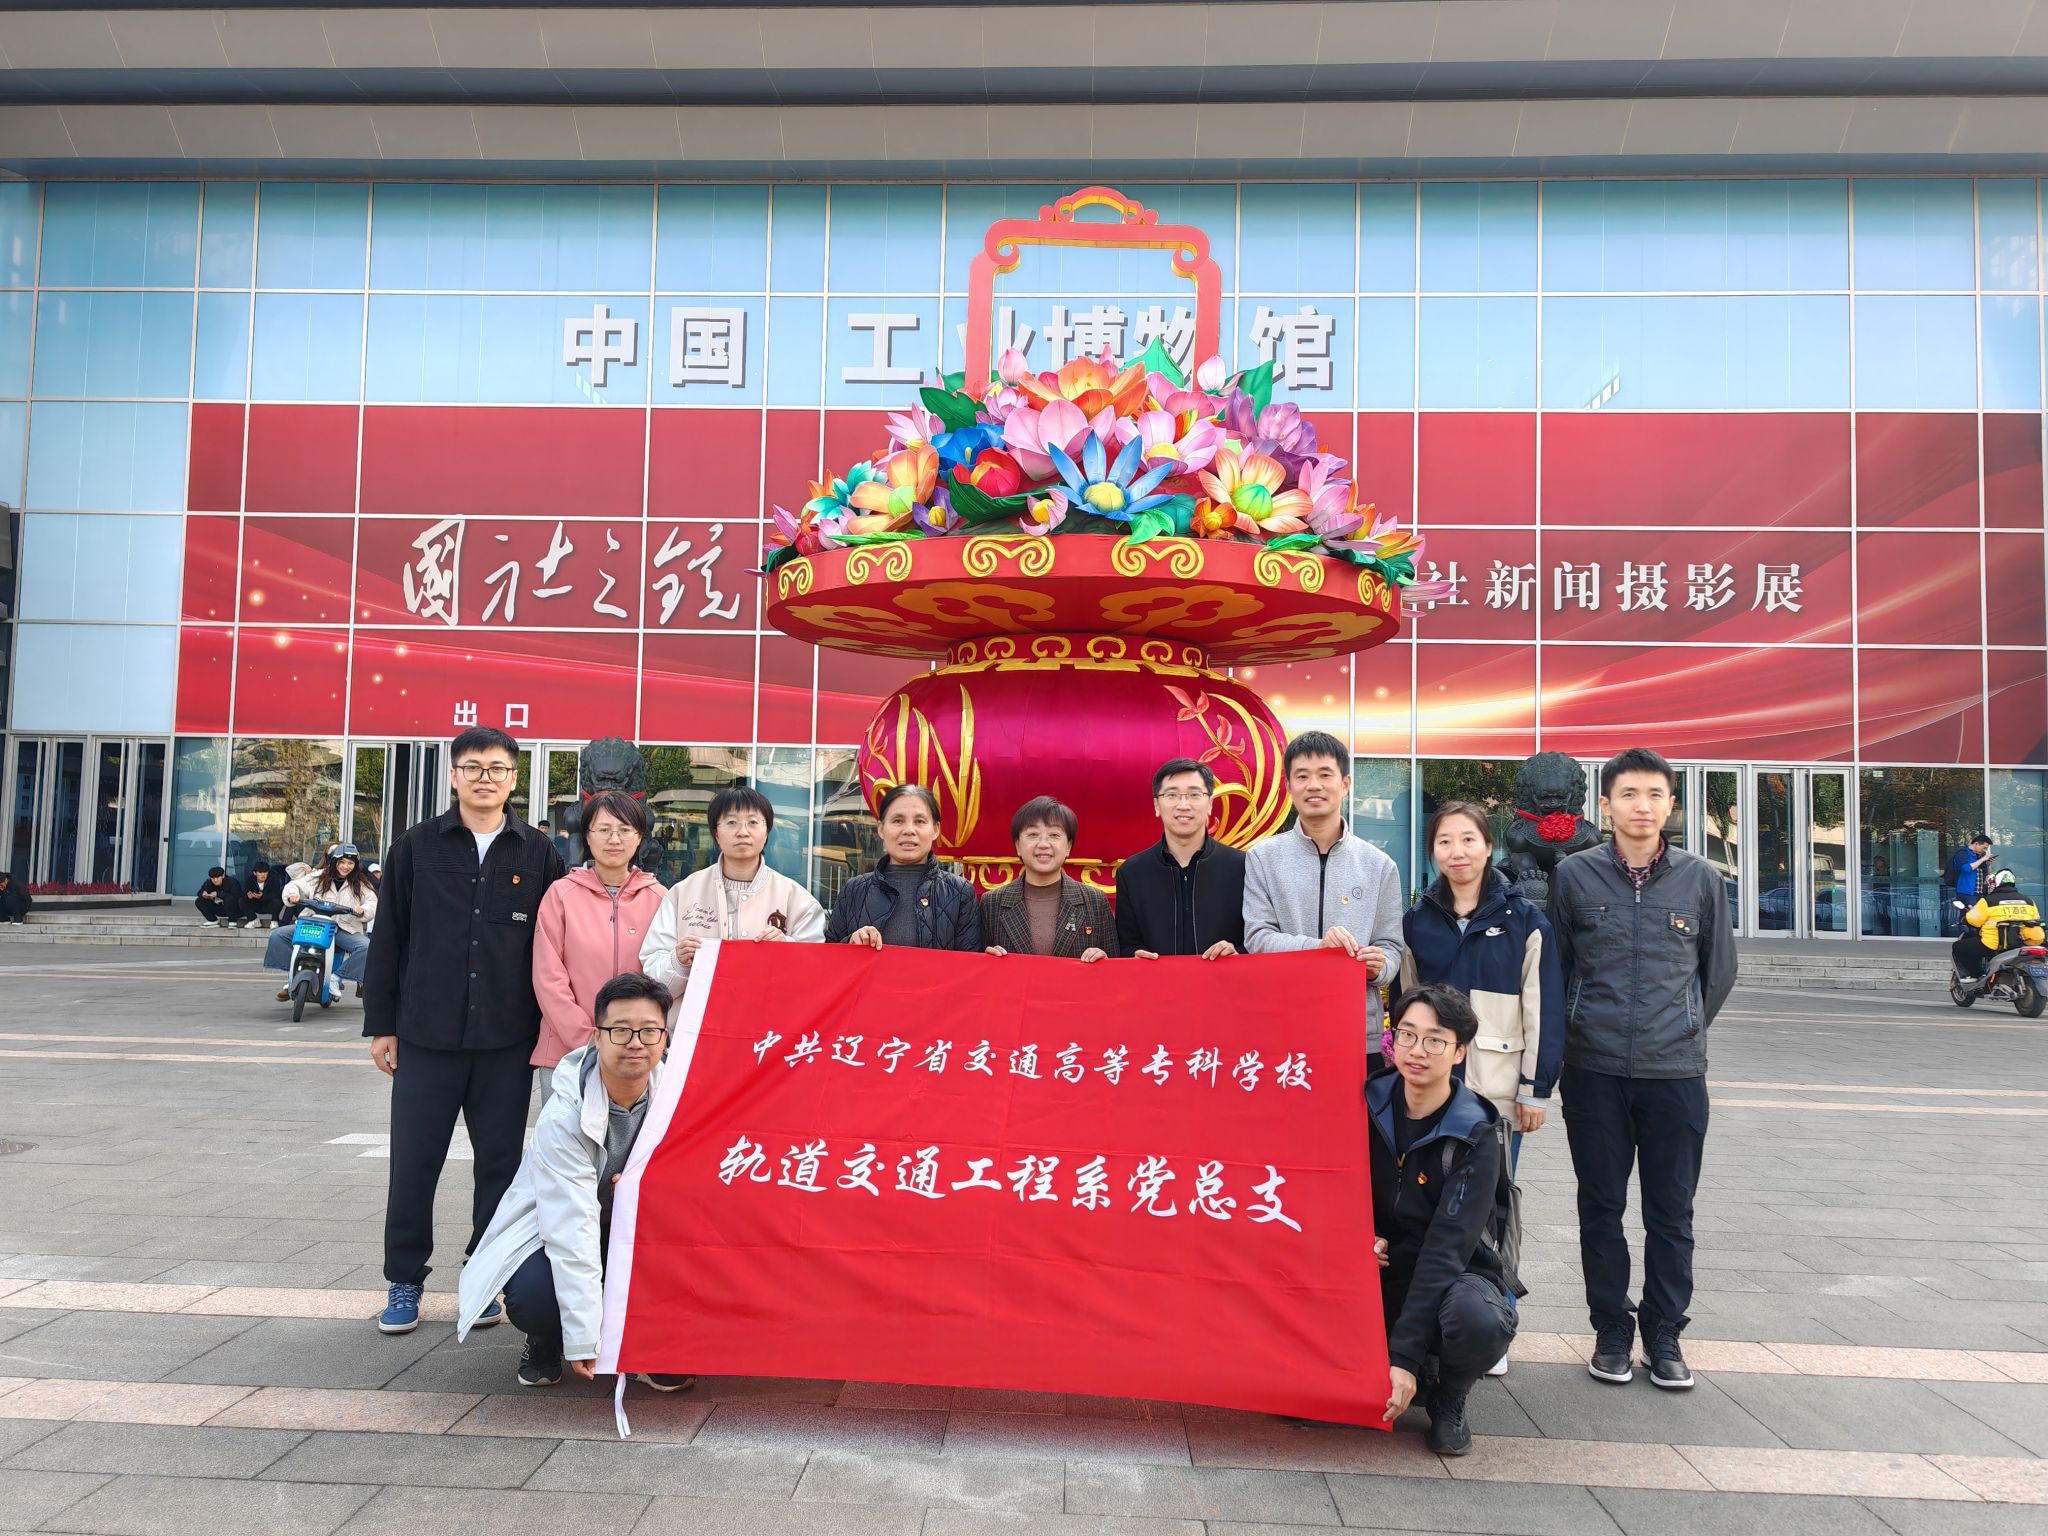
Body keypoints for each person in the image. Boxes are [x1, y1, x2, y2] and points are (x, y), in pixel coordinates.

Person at [362, 726, 566, 1336]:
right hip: (426, 1036)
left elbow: (555, 943)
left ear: (513, 779)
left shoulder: (538, 853)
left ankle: (485, 1276)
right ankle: (404, 1279)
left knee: (499, 1167)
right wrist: (382, 1024)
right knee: (414, 1163)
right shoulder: (417, 846)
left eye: (498, 768)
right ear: (454, 775)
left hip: (507, 1039)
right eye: (473, 767)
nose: (485, 777)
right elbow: (389, 936)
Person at [1548, 747, 1735, 1392]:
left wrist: (1681, 1026)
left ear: (1671, 804)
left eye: (1655, 794)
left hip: (1674, 1072)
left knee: (1671, 1211)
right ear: (1606, 805)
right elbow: (1558, 968)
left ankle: (1663, 1333)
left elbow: (1718, 971)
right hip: (1593, 1069)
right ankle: (1610, 1329)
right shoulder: (1573, 876)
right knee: (1600, 1206)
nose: (1642, 806)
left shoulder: (1701, 879)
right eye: (1628, 794)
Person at [457, 971, 692, 1393]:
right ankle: (548, 1335)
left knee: (691, 1258)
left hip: (641, 1229)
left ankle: (650, 1342)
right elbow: (571, 1225)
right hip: (561, 1230)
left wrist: (645, 1190)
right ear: (597, 1037)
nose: (635, 1042)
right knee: (536, 1297)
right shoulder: (565, 1115)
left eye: (649, 1031)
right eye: (620, 1030)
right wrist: (583, 1336)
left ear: (665, 1039)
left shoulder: (682, 1097)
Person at [1400, 801, 1562, 1379]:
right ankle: (1427, 1317)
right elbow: (1406, 1000)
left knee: (1492, 1207)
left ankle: (1498, 1313)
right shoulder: (1417, 920)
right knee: (1430, 1204)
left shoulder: (1525, 919)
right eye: (1445, 841)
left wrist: (1535, 1089)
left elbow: (1542, 1007)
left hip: (1495, 1092)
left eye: (1468, 839)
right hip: (1431, 1089)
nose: (1457, 852)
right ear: (1433, 851)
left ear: (1489, 846)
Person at [1370, 982, 1516, 1458]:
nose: (1417, 1051)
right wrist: (1359, 1237)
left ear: (1459, 1052)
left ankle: (1449, 1393)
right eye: (1407, 1035)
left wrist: (1403, 1357)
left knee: (1478, 1319)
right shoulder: (1365, 1103)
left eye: (1435, 1040)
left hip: (1452, 1273)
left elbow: (1445, 1250)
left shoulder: (1477, 1133)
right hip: (1378, 1269)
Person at [1244, 731, 1405, 1069]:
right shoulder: (1263, 858)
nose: (1313, 785)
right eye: (1302, 776)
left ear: (1345, 784)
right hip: (1281, 1028)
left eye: (1325, 775)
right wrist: (1319, 949)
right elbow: (1257, 938)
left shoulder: (1379, 865)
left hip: (1355, 1032)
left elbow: (1392, 947)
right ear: (1289, 787)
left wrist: (1378, 967)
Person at [532, 790, 665, 1099]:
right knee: (567, 1131)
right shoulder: (561, 894)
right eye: (603, 829)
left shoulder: (660, 898)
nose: (614, 839)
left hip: (637, 1054)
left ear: (639, 837)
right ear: (588, 836)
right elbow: (548, 977)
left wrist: (633, 1038)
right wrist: (590, 1039)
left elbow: (664, 977)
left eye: (624, 830)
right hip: (567, 1054)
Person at [642, 784, 825, 1002]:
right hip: (696, 1020)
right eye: (731, 822)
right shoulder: (682, 894)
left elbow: (816, 977)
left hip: (767, 1021)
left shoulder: (798, 900)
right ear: (716, 833)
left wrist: (786, 951)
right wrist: (678, 961)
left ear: (766, 832)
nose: (743, 832)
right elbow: (652, 979)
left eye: (753, 822)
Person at [1113, 758, 1245, 960]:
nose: (1183, 805)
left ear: (1210, 804)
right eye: (1172, 795)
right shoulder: (1132, 873)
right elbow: (1126, 944)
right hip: (1156, 980)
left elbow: (1256, 939)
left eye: (1194, 795)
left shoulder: (1242, 867)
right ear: (1157, 805)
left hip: (1225, 979)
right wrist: (1133, 955)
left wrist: (1238, 953)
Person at [825, 784, 981, 951]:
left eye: (919, 821)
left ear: (935, 830)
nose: (909, 830)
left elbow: (971, 962)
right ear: (881, 829)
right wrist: (851, 943)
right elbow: (828, 957)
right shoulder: (854, 890)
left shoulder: (959, 892)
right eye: (898, 821)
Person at [981, 797, 1117, 961]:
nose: (1043, 844)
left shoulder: (1094, 901)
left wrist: (1105, 961)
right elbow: (973, 966)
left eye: (1054, 835)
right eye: (1033, 834)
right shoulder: (992, 903)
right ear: (1018, 845)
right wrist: (986, 960)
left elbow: (1117, 964)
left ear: (1068, 846)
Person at [267, 845, 377, 1005]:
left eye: (350, 863)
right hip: (313, 923)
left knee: (367, 947)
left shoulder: (360, 883)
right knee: (277, 935)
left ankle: (335, 978)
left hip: (343, 928)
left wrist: (363, 910)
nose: (345, 866)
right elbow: (294, 885)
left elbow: (372, 903)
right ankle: (293, 973)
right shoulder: (319, 876)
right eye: (342, 862)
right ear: (334, 861)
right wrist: (292, 895)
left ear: (355, 865)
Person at [1953, 868, 2045, 982]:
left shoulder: (1988, 901)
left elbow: (1973, 920)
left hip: (1994, 944)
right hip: (2023, 942)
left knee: (1958, 947)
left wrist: (1965, 919)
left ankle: (1976, 976)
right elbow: (2035, 919)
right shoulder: (2029, 901)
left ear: (1995, 883)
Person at [1945, 834, 1993, 936]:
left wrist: (1988, 864)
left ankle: (1976, 938)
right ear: (1976, 844)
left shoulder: (1978, 856)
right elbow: (1966, 868)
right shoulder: (1962, 854)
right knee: (1968, 917)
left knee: (1979, 917)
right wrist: (1983, 859)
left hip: (1979, 892)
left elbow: (1986, 874)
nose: (1984, 850)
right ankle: (1965, 938)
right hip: (1966, 891)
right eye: (1984, 847)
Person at [244, 861, 284, 928]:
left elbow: (276, 894)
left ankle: (274, 921)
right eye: (260, 872)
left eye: (265, 872)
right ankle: (253, 920)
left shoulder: (273, 879)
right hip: (256, 904)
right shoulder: (250, 880)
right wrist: (249, 896)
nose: (263, 875)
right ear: (255, 873)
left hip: (269, 905)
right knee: (242, 901)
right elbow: (245, 893)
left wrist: (263, 896)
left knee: (277, 901)